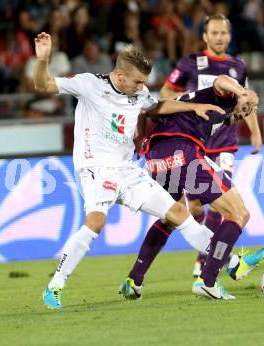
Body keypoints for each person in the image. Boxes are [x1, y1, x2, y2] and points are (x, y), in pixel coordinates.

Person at [34, 32, 232, 309]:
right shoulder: (89, 85)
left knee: (177, 212)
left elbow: (155, 106)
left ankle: (231, 262)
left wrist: (193, 106)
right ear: (120, 75)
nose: (142, 87)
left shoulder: (137, 92)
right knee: (95, 222)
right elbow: (42, 84)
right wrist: (42, 60)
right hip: (96, 168)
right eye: (138, 81)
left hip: (127, 169)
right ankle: (54, 286)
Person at [120, 74, 264, 300]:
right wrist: (240, 91)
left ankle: (134, 279)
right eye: (247, 107)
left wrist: (138, 136)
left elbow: (145, 111)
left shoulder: (207, 111)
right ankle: (208, 280)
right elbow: (220, 80)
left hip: (156, 157)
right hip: (183, 150)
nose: (246, 112)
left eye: (250, 111)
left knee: (169, 218)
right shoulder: (221, 97)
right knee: (238, 213)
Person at [159, 13, 264, 277]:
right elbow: (165, 94)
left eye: (224, 33)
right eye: (214, 33)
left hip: (225, 143)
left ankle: (205, 261)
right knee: (195, 208)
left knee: (221, 202)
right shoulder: (190, 63)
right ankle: (211, 254)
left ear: (230, 36)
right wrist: (190, 104)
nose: (219, 38)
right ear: (205, 36)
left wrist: (255, 132)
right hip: (196, 142)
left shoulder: (238, 66)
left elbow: (247, 102)